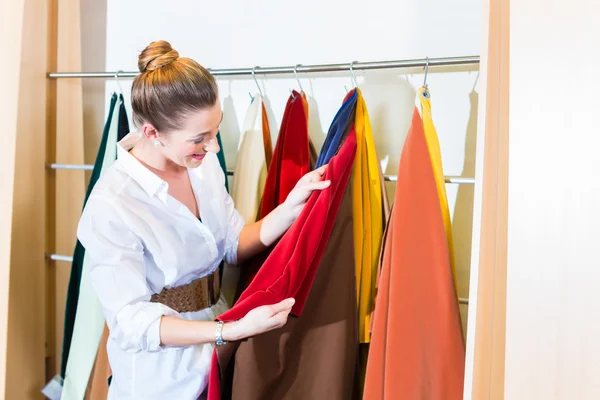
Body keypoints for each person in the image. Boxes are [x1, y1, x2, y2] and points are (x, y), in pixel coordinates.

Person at [76, 40, 330, 399]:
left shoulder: (199, 164)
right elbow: (131, 323)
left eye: (214, 131)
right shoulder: (112, 205)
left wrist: (290, 208)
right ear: (151, 133)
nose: (212, 148)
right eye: (199, 139)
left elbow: (232, 243)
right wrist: (228, 329)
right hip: (160, 381)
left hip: (217, 359)